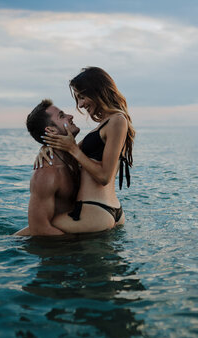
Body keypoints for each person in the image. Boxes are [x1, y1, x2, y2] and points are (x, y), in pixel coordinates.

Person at [39, 67, 135, 233]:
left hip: (94, 210)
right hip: (101, 211)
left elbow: (104, 176)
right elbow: (71, 151)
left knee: (29, 234)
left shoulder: (118, 120)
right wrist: (46, 147)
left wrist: (73, 149)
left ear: (97, 91)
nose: (81, 104)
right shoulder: (106, 124)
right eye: (78, 99)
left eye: (82, 97)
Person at [14, 99, 81, 236]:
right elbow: (39, 229)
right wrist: (79, 247)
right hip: (56, 250)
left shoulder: (74, 155)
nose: (70, 116)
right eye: (62, 116)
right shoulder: (47, 172)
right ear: (51, 130)